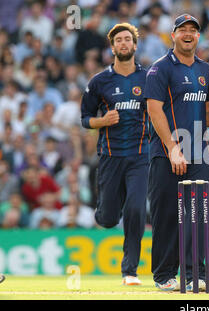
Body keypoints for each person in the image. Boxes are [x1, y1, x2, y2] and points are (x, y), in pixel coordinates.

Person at [144, 14, 209, 292]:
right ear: (172, 35)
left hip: (199, 154)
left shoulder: (205, 70)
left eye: (193, 31)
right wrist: (173, 149)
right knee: (167, 216)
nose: (188, 34)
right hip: (166, 154)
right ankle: (164, 275)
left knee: (198, 215)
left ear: (199, 37)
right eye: (182, 30)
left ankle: (195, 273)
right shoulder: (160, 69)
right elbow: (154, 109)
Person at [80, 23, 150, 286]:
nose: (123, 43)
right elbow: (85, 119)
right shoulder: (99, 81)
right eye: (118, 40)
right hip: (110, 156)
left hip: (140, 155)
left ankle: (129, 271)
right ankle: (104, 212)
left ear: (134, 45)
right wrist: (103, 121)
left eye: (127, 39)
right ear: (112, 47)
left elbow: (159, 110)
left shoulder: (149, 78)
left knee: (135, 209)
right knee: (109, 219)